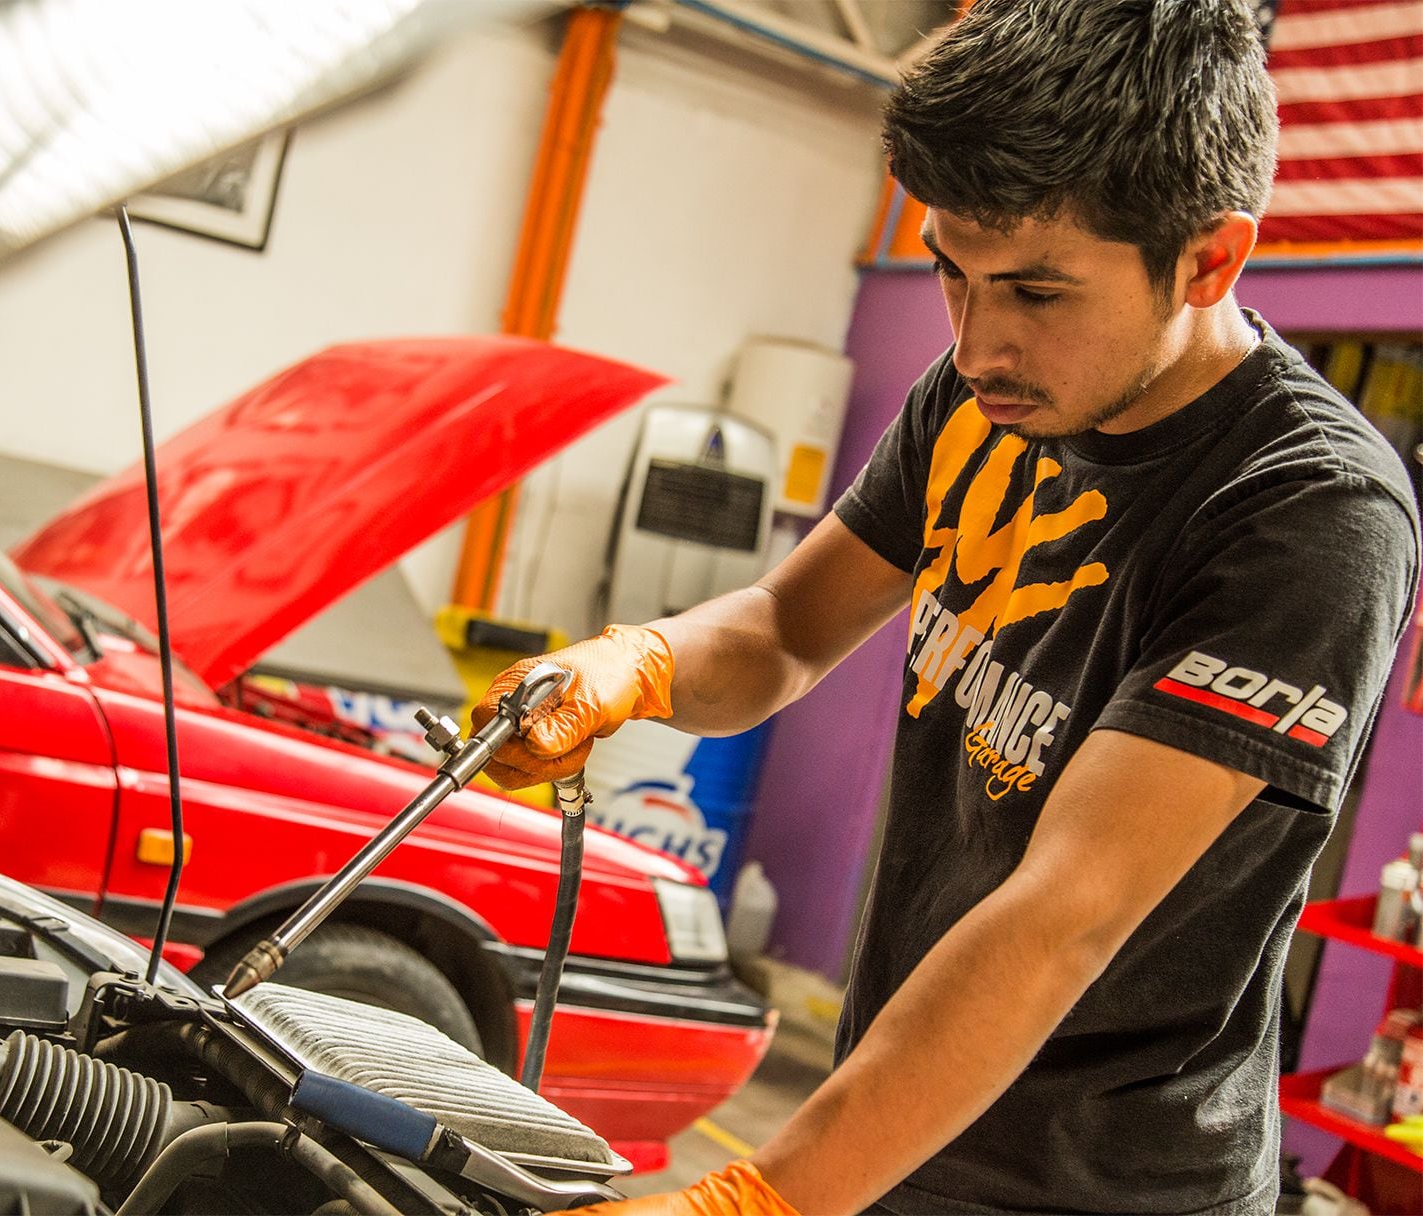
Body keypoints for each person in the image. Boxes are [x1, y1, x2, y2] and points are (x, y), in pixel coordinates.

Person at [473, 2, 1422, 1212]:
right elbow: (780, 633)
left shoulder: (1309, 512)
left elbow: (1061, 919)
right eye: (951, 274)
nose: (976, 343)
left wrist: (767, 1194)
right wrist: (642, 663)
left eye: (1036, 290)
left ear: (1208, 260)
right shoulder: (988, 397)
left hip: (1098, 1188)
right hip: (895, 1124)